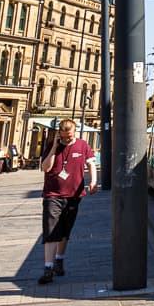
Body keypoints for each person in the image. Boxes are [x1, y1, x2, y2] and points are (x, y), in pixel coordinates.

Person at [39, 121, 93, 284]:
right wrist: (55, 147)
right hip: (52, 194)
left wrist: (94, 181)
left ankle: (59, 261)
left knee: (64, 231)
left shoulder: (83, 145)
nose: (68, 138)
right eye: (64, 136)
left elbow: (90, 163)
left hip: (73, 195)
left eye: (71, 135)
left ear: (75, 132)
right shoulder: (52, 146)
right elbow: (45, 168)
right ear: (59, 134)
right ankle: (48, 268)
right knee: (50, 231)